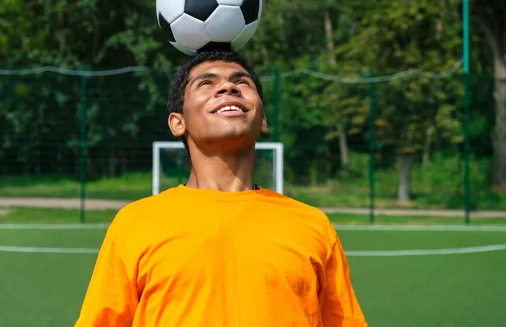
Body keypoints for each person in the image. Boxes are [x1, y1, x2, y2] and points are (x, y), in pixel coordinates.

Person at [74, 50, 368, 327]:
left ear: (262, 118)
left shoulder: (312, 226)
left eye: (242, 82)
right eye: (206, 83)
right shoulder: (134, 224)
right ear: (178, 122)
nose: (228, 88)